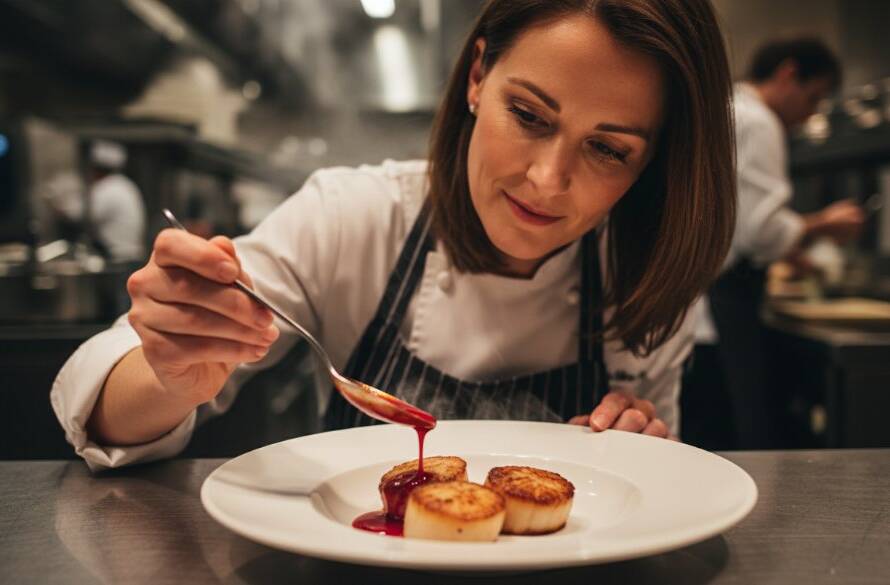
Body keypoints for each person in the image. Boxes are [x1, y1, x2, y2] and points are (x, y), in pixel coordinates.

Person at [51, 0, 736, 470]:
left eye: (609, 150)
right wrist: (171, 371)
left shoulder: (647, 276)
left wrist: (639, 446)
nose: (549, 180)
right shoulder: (354, 216)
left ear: (652, 162)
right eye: (528, 114)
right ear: (476, 77)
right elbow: (101, 404)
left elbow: (649, 496)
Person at [683, 37, 865, 450]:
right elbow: (761, 229)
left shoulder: (726, 110)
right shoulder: (758, 121)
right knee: (738, 432)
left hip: (699, 300)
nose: (811, 113)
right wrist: (822, 224)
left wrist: (791, 249)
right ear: (788, 75)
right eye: (814, 97)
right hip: (722, 300)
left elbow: (736, 219)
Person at [45, 140, 147, 262]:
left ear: (96, 168)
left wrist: (53, 199)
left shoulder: (107, 187)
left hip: (118, 257)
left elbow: (76, 214)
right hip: (130, 255)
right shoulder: (124, 184)